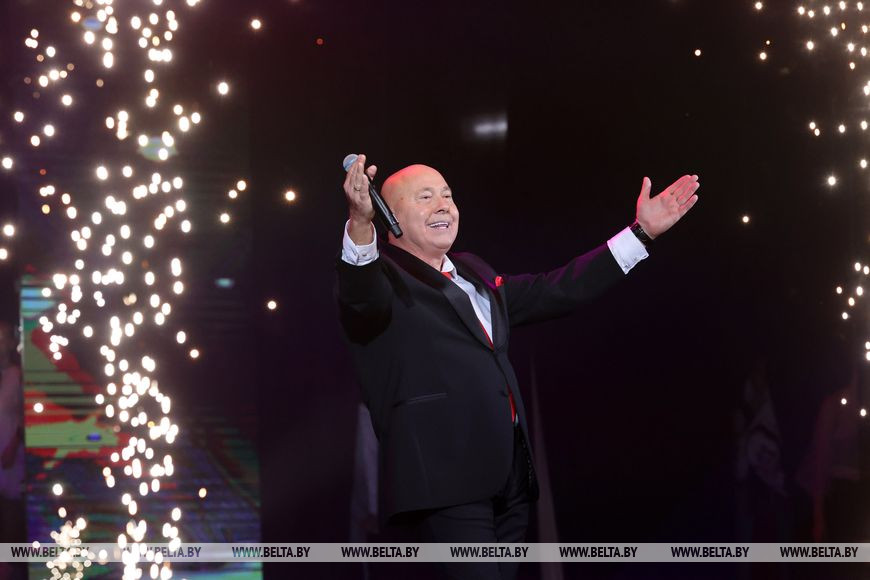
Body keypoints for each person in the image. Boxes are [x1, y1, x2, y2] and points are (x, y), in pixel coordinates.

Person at [336, 154, 699, 579]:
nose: (443, 205)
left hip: (509, 482)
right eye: (425, 197)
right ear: (388, 215)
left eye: (448, 195)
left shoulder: (474, 271)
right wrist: (360, 223)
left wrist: (641, 234)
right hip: (445, 484)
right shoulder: (382, 279)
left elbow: (557, 290)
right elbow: (361, 295)